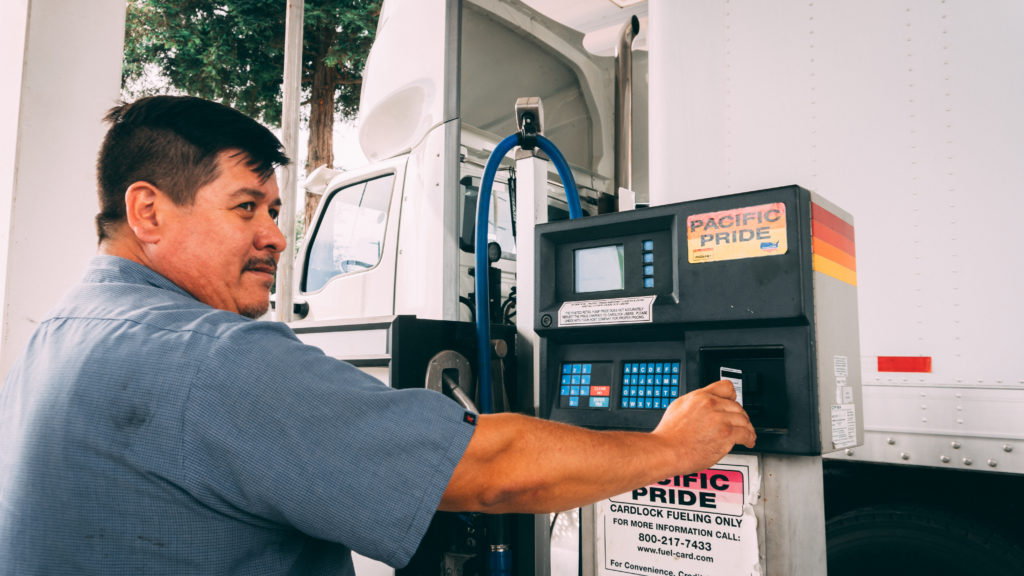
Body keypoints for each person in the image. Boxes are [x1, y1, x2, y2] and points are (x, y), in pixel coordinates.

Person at [0, 96, 755, 574]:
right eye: (246, 208)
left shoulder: (53, 339)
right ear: (148, 211)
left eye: (275, 211)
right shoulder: (213, 358)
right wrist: (672, 448)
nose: (275, 237)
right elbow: (493, 470)